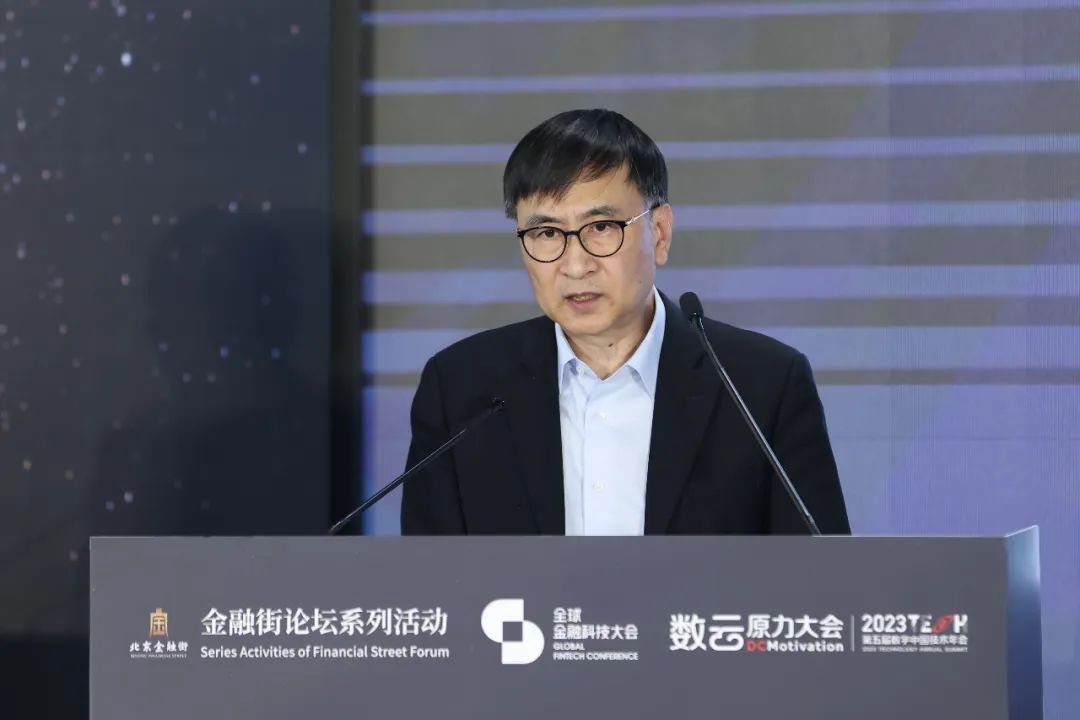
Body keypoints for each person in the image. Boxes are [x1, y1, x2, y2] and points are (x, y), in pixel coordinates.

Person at [400, 108, 850, 536]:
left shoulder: (762, 386)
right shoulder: (460, 390)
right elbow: (427, 578)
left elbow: (821, 574)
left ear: (660, 233)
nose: (575, 265)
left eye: (601, 228)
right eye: (546, 233)